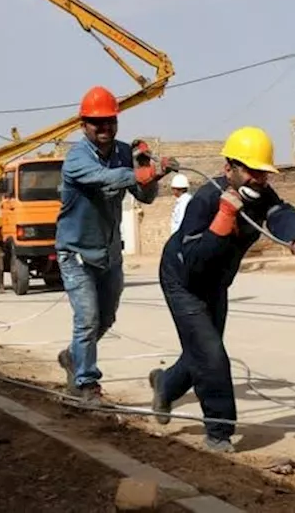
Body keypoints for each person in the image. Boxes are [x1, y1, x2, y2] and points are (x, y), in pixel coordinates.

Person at [148, 127, 295, 453]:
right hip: (183, 281)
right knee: (211, 355)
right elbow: (195, 261)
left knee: (203, 351)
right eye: (251, 171)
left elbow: (281, 214)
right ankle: (219, 432)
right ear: (228, 168)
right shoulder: (205, 200)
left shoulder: (262, 197)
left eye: (263, 172)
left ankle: (165, 384)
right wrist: (223, 218)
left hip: (216, 282)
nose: (258, 179)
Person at [55, 85, 178, 404]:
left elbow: (146, 196)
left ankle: (73, 357)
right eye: (97, 123)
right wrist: (141, 172)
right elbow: (106, 178)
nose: (105, 128)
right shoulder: (76, 159)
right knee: (88, 318)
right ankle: (86, 383)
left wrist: (151, 173)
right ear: (84, 125)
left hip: (109, 253)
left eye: (110, 121)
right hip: (76, 254)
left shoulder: (125, 153)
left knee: (106, 318)